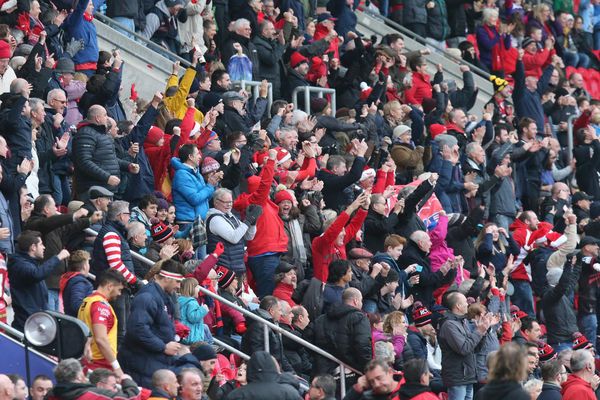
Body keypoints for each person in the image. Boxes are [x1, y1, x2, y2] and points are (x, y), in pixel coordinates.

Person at [119, 259, 185, 387]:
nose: (178, 286)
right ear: (166, 278)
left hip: (151, 362)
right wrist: (163, 347)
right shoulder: (148, 297)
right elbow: (138, 329)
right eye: (177, 281)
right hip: (141, 365)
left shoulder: (162, 296)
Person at [7, 230, 70, 330]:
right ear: (33, 247)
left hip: (35, 321)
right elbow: (36, 274)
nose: (44, 247)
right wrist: (58, 258)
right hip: (26, 323)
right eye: (41, 244)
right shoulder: (19, 264)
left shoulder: (31, 263)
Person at [72, 105, 139, 200]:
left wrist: (128, 166)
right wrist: (107, 177)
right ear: (98, 118)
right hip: (92, 190)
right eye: (105, 115)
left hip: (105, 189)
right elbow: (84, 162)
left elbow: (111, 159)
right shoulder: (85, 134)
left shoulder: (103, 135)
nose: (107, 118)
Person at [438, 291, 492, 400]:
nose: (468, 304)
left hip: (467, 376)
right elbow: (464, 348)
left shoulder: (462, 322)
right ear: (458, 306)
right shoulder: (449, 325)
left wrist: (483, 331)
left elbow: (475, 348)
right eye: (465, 302)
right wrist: (479, 331)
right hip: (457, 378)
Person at [308, 287, 373, 375]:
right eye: (361, 301)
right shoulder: (359, 318)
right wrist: (367, 368)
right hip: (349, 372)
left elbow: (308, 338)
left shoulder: (321, 319)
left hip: (322, 371)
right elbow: (363, 344)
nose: (362, 304)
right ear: (356, 301)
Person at [78, 269, 127, 375]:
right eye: (119, 289)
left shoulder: (87, 301)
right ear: (110, 286)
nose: (119, 294)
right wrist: (116, 367)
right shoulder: (100, 306)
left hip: (89, 360)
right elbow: (101, 339)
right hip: (101, 364)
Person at [241, 295, 294, 373]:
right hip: (266, 372)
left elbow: (280, 356)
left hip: (274, 370)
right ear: (271, 311)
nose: (281, 313)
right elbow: (258, 356)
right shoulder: (259, 326)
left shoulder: (271, 324)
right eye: (279, 310)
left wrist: (292, 373)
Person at [46, 358, 140, 400]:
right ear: (79, 376)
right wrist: (127, 381)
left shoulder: (49, 396)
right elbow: (132, 398)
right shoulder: (93, 395)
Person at [224, 351, 301, 400]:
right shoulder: (290, 392)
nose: (240, 370)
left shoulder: (237, 394)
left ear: (250, 368)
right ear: (273, 367)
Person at [60, 250, 94, 317]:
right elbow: (76, 304)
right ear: (84, 266)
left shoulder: (71, 279)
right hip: (79, 323)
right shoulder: (79, 282)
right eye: (88, 263)